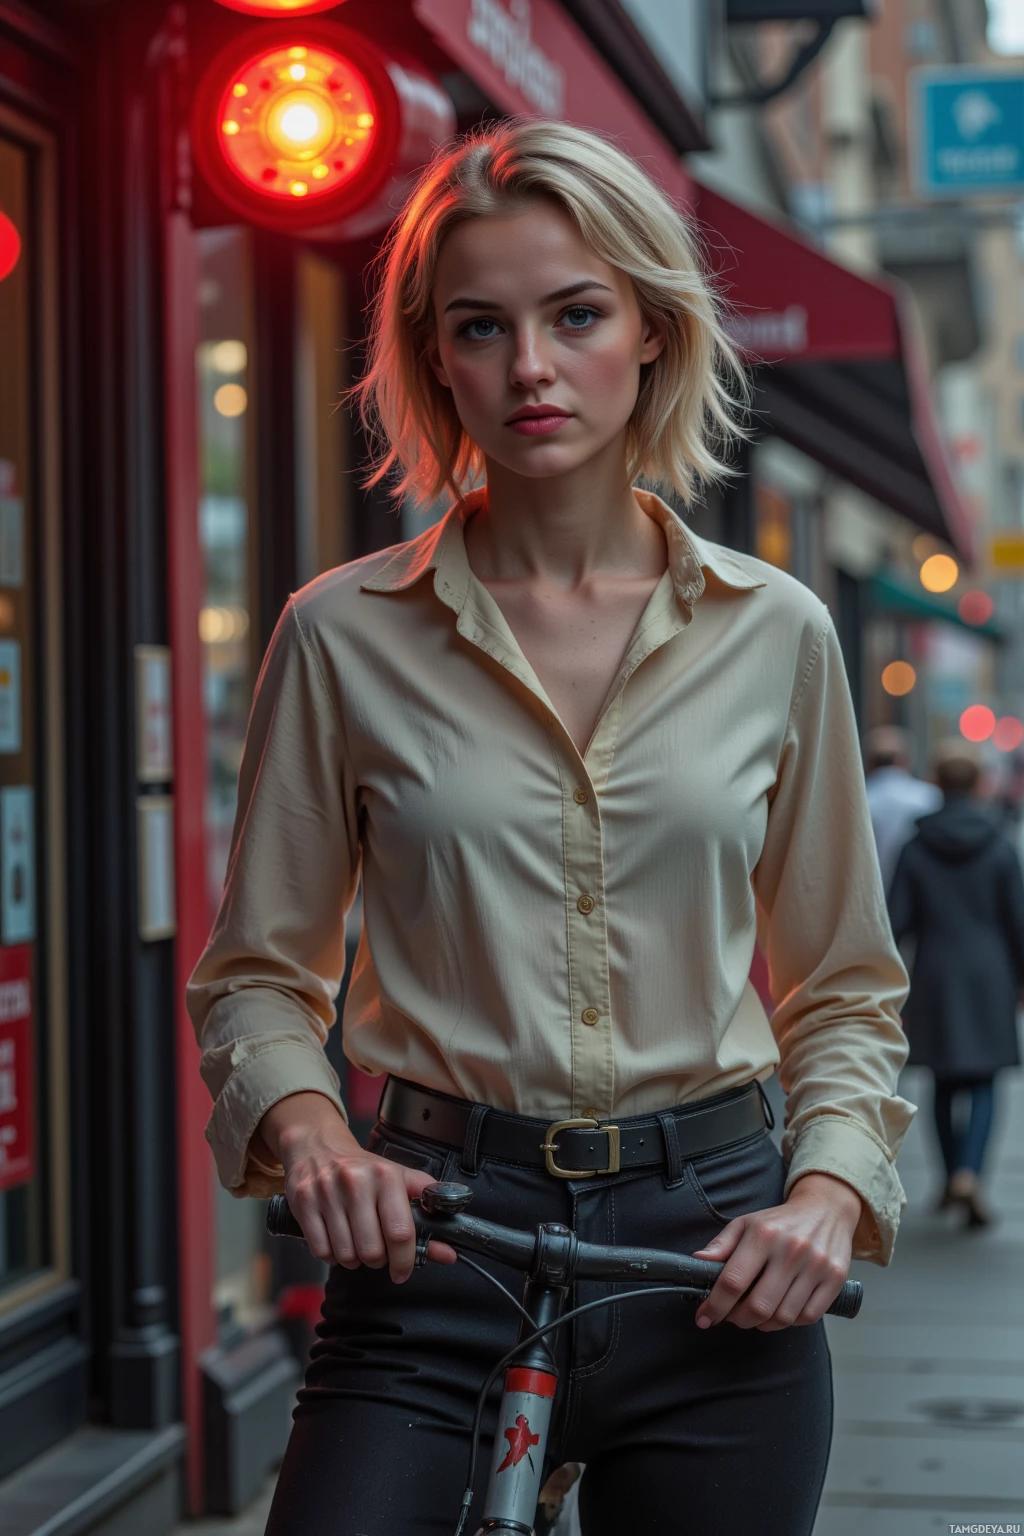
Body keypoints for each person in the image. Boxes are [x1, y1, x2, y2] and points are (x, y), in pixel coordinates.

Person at [187, 120, 916, 1536]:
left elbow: (845, 988)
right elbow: (260, 974)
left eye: (574, 315)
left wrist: (829, 1191)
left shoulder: (780, 636)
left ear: (648, 328)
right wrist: (314, 1131)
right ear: (436, 357)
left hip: (715, 1257)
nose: (530, 367)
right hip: (435, 1242)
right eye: (483, 327)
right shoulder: (341, 635)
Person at [889, 740, 1024, 1228]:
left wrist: (887, 983)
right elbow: (1018, 918)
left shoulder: (916, 845)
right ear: (980, 784)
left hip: (935, 973)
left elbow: (894, 920)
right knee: (985, 1081)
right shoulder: (999, 843)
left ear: (937, 784)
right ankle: (969, 1173)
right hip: (990, 973)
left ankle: (952, 1175)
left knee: (944, 1081)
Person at [864, 725, 941, 893]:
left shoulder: (862, 801)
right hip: (920, 895)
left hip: (871, 895)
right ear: (905, 760)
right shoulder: (930, 798)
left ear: (869, 761)